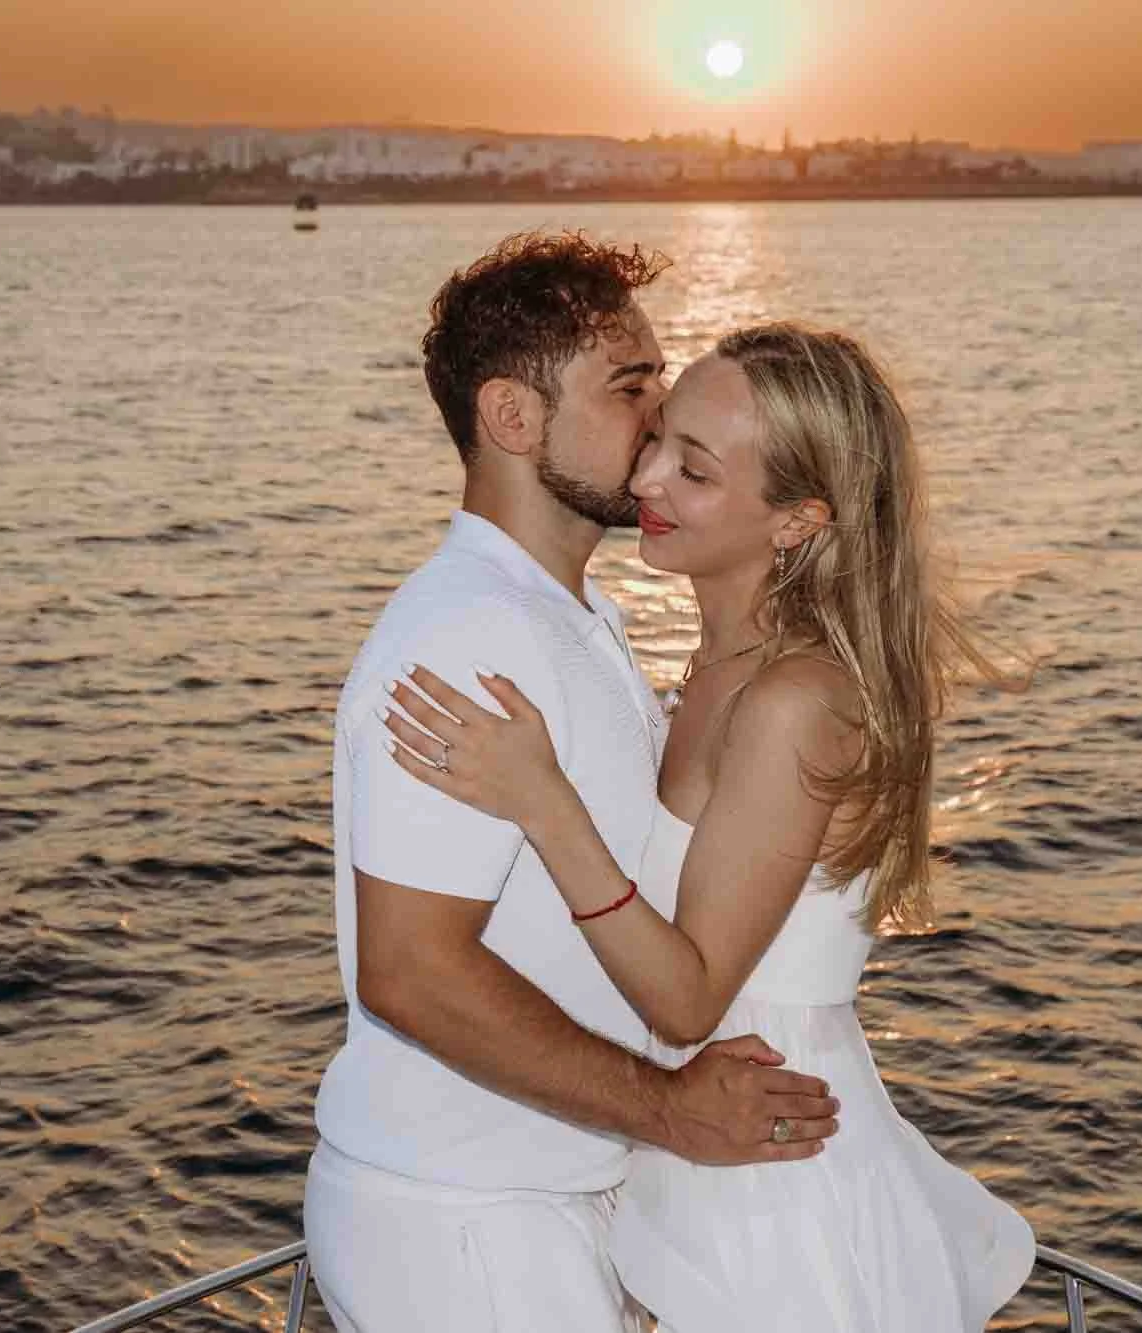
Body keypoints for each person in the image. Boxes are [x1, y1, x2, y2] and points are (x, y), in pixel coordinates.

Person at [380, 322, 1037, 1331]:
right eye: (655, 439)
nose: (645, 479)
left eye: (693, 470)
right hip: (709, 1132)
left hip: (763, 1157)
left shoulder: (793, 700)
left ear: (794, 521)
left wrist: (542, 802)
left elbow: (687, 997)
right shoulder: (715, 666)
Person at [303, 239, 842, 1333]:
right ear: (511, 418)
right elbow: (408, 971)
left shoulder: (571, 616)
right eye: (628, 386)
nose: (658, 415)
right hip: (466, 1223)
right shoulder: (465, 636)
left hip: (545, 1201)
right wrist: (669, 1112)